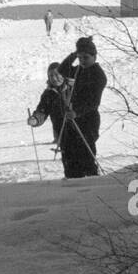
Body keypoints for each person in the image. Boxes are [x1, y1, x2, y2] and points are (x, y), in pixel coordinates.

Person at [58, 36, 106, 178]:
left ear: (94, 56)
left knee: (85, 153)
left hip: (88, 120)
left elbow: (93, 102)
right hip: (72, 119)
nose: (82, 61)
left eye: (86, 57)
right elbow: (62, 70)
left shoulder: (98, 75)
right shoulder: (77, 70)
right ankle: (72, 180)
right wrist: (74, 54)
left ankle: (91, 182)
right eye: (80, 58)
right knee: (69, 154)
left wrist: (77, 112)